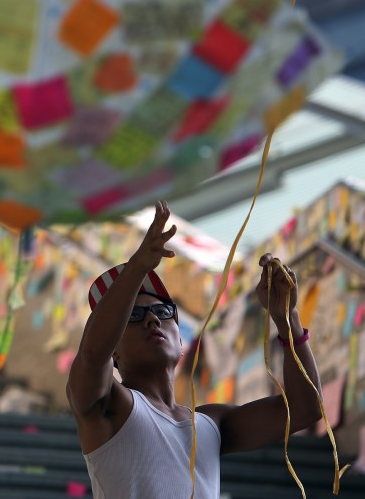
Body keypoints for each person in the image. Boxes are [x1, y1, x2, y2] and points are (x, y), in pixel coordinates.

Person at [66, 202, 323, 498]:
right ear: (115, 353)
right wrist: (137, 266)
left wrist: (287, 318)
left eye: (162, 311)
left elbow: (305, 410)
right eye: (133, 316)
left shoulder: (210, 424)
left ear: (179, 340)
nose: (152, 319)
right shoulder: (108, 407)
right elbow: (91, 355)